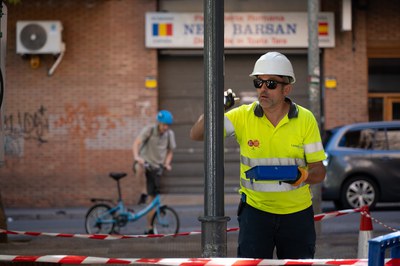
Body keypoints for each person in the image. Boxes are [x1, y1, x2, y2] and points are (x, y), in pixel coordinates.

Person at [190, 51, 326, 259]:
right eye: (258, 82)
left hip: (297, 216)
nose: (263, 88)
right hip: (255, 214)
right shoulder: (243, 116)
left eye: (271, 83)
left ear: (286, 88)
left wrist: (303, 175)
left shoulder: (305, 120)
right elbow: (197, 134)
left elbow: (319, 170)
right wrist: (216, 107)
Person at [132, 110, 176, 234]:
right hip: (144, 162)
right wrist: (137, 157)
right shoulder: (149, 130)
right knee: (139, 168)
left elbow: (170, 151)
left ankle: (150, 227)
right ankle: (142, 193)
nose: (165, 128)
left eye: (168, 125)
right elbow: (136, 143)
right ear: (158, 123)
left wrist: (167, 163)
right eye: (164, 125)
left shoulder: (169, 134)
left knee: (153, 201)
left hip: (156, 168)